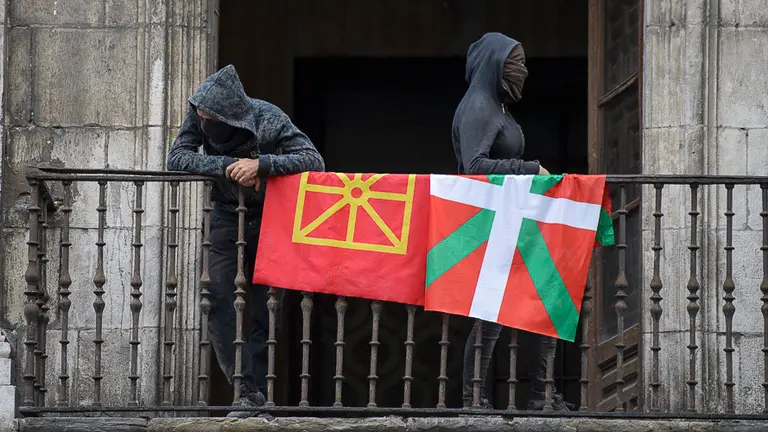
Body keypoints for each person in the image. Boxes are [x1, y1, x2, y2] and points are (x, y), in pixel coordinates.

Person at [167, 65, 325, 417]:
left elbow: (314, 160)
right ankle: (245, 390)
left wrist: (262, 165)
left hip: (273, 217)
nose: (201, 119)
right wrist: (227, 165)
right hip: (227, 215)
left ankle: (257, 393)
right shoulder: (198, 111)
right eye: (199, 115)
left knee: (264, 307)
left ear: (229, 115)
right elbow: (177, 158)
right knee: (218, 296)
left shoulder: (268, 117)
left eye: (209, 117)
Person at [451, 32, 569, 411]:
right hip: (490, 222)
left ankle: (542, 394)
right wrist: (530, 168)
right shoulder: (478, 106)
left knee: (542, 299)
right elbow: (475, 166)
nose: (523, 71)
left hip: (513, 218)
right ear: (495, 65)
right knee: (493, 311)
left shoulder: (497, 107)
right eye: (515, 62)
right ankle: (473, 398)